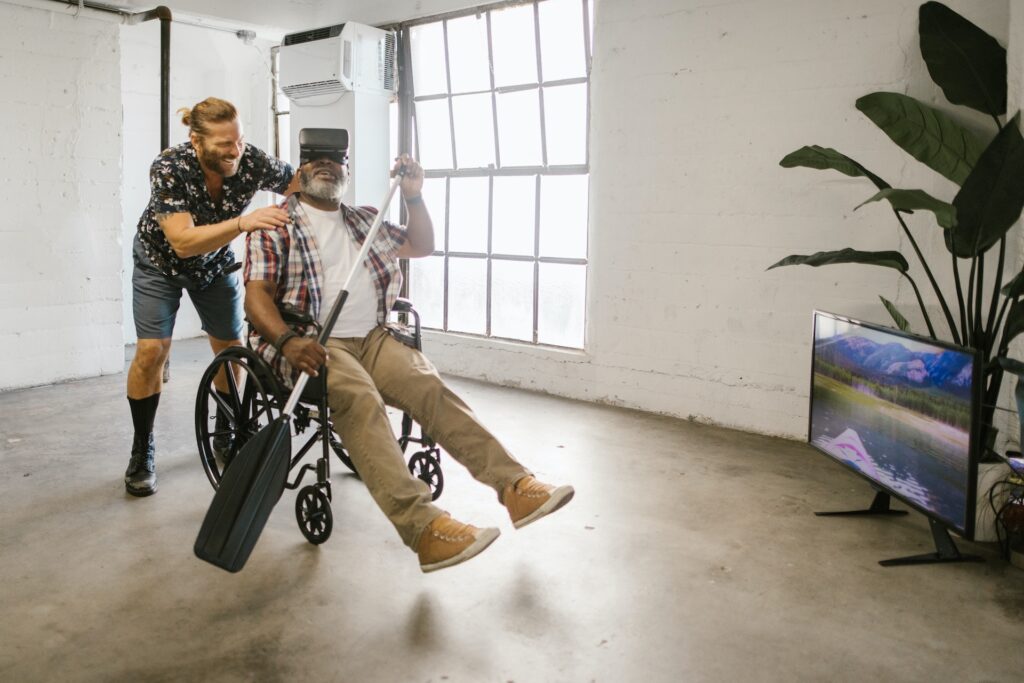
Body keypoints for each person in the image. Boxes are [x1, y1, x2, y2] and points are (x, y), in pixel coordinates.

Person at [243, 130, 574, 573]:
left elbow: (421, 245)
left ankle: (515, 487)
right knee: (359, 400)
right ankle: (425, 531)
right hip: (315, 342)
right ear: (299, 170)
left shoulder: (364, 220)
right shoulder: (276, 223)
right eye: (315, 159)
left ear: (346, 169)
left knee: (428, 386)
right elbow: (256, 298)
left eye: (335, 159)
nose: (326, 165)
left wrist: (415, 198)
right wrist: (287, 340)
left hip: (374, 337)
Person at [125, 97, 297, 497]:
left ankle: (226, 426)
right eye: (224, 144)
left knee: (230, 349)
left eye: (238, 140)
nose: (235, 151)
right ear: (197, 141)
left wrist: (330, 173)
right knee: (152, 351)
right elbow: (182, 242)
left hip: (214, 266)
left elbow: (298, 182)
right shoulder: (170, 167)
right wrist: (242, 223)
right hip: (160, 263)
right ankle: (142, 448)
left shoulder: (250, 160)